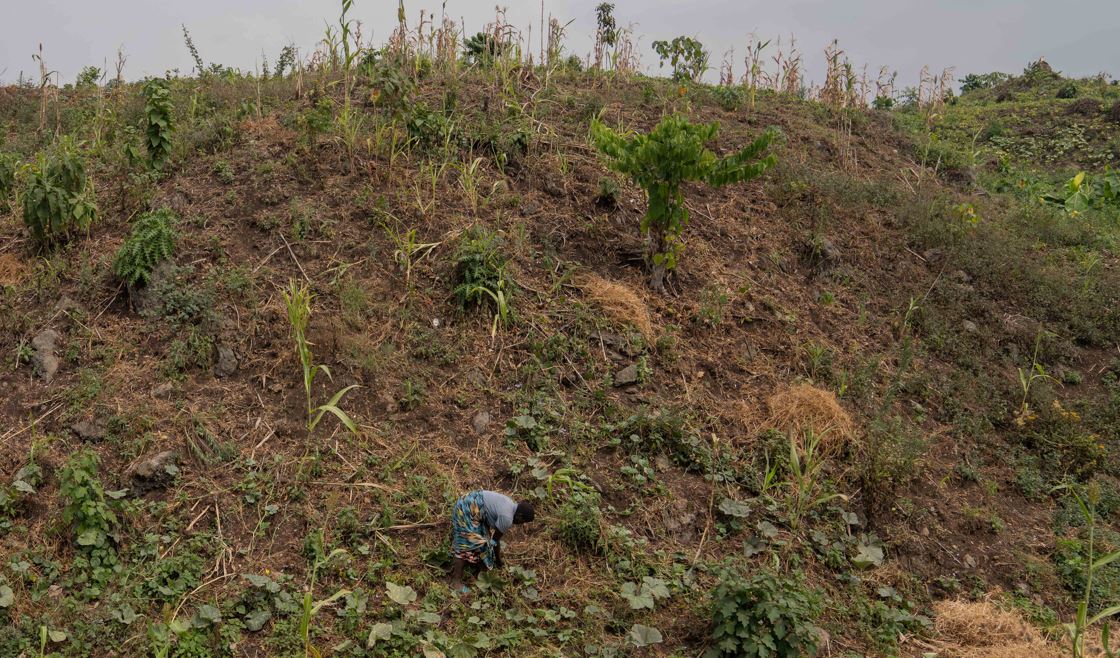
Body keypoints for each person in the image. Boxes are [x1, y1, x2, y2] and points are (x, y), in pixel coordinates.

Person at [449, 490, 534, 592]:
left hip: (469, 501)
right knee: (466, 544)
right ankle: (455, 581)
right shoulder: (507, 518)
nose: (521, 524)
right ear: (519, 515)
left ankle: (476, 566)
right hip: (467, 509)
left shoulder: (510, 504)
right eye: (523, 521)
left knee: (482, 537)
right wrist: (499, 562)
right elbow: (494, 542)